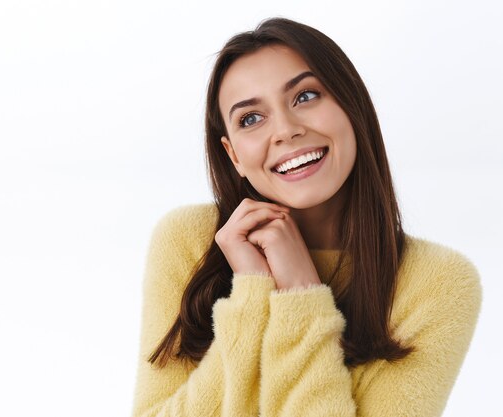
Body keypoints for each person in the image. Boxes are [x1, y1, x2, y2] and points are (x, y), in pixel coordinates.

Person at [131, 17, 482, 417]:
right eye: (251, 118)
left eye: (305, 96)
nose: (285, 130)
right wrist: (252, 294)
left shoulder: (439, 284)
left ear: (353, 106)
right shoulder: (189, 240)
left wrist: (300, 294)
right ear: (234, 157)